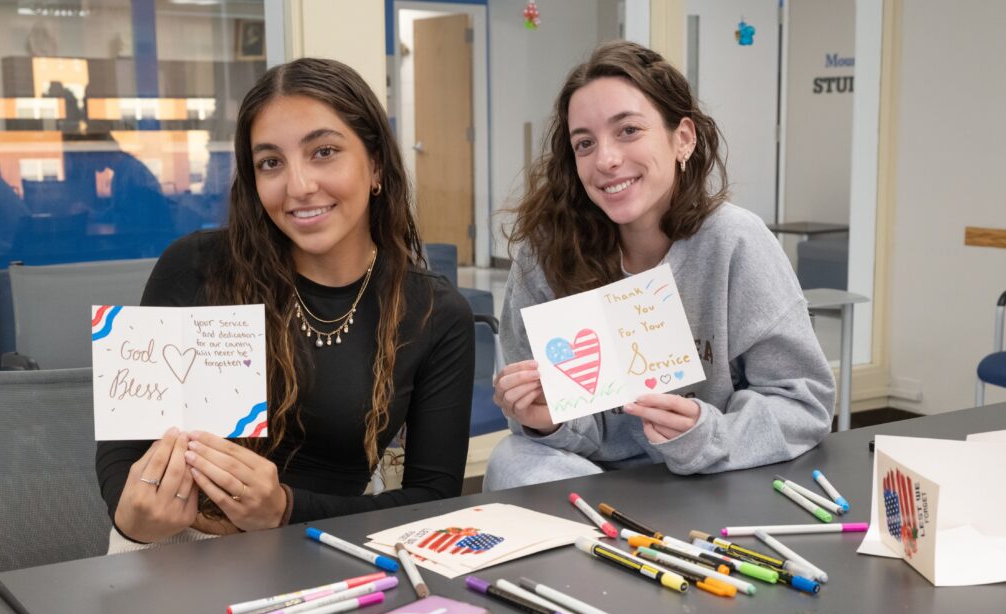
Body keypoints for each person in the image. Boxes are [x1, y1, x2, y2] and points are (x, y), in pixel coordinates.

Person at [96, 58, 475, 550]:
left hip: (329, 545)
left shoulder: (435, 313)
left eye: (324, 152)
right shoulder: (195, 267)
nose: (298, 187)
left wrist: (285, 510)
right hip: (178, 544)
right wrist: (132, 520)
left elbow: (434, 497)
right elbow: (123, 451)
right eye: (271, 162)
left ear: (376, 164)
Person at [484, 41, 835, 490]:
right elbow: (554, 431)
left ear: (682, 138)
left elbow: (804, 402)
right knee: (512, 457)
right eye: (585, 143)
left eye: (628, 130)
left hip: (712, 472)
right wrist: (545, 421)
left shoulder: (736, 242)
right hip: (587, 479)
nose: (606, 160)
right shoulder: (543, 257)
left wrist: (707, 433)